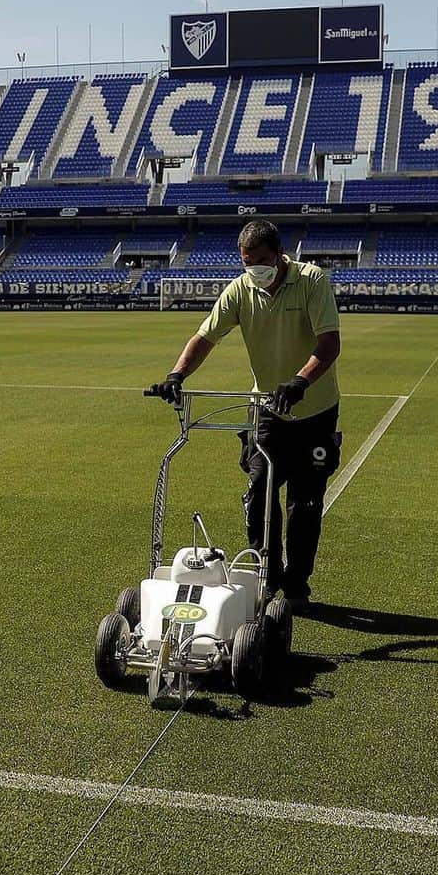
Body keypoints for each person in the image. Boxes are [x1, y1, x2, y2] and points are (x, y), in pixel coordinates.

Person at [150, 219, 342, 614]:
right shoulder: (241, 289)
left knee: (304, 504)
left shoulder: (311, 281)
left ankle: (296, 583)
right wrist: (177, 374)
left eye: (261, 261)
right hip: (267, 409)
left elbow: (329, 342)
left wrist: (300, 381)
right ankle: (264, 574)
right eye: (247, 262)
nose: (255, 269)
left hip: (314, 411)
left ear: (279, 254)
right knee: (259, 492)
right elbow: (206, 337)